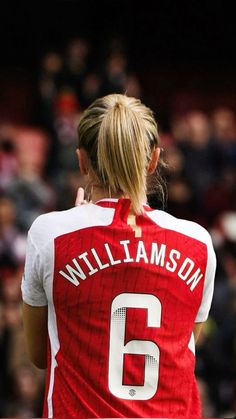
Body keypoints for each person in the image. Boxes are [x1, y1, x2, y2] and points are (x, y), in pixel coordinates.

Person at [21, 93, 216, 418]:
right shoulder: (197, 241)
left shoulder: (50, 235)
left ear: (82, 160)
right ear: (153, 159)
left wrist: (78, 223)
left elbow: (40, 354)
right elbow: (182, 339)